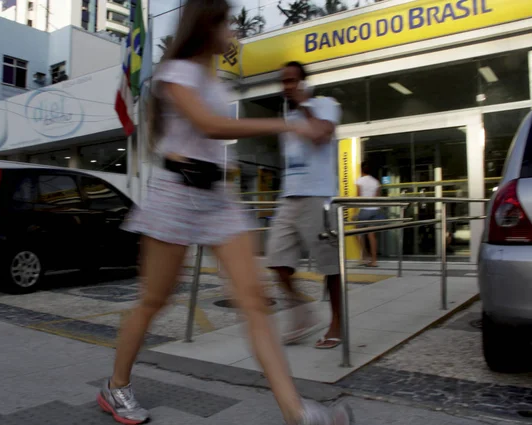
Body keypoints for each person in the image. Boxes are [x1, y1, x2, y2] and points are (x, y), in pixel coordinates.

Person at [96, 1, 353, 424]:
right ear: (207, 24)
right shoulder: (175, 72)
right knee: (153, 301)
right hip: (175, 191)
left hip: (217, 196)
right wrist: (286, 125)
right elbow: (209, 126)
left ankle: (297, 413)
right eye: (228, 22)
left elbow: (211, 137)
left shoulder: (213, 79)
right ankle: (116, 385)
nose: (234, 30)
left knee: (255, 301)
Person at [266, 61, 344, 351]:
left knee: (330, 267)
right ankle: (303, 313)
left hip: (319, 196)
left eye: (291, 81)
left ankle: (337, 324)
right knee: (276, 260)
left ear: (302, 83)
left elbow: (322, 134)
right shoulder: (286, 114)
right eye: (283, 82)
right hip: (289, 196)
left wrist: (304, 106)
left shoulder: (325, 104)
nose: (286, 87)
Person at [355, 162, 381, 267]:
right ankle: (374, 260)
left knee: (356, 232)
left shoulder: (360, 181)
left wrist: (355, 212)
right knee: (372, 236)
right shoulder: (376, 182)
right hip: (375, 210)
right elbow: (377, 197)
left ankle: (365, 256)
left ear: (361, 170)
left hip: (364, 209)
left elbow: (358, 196)